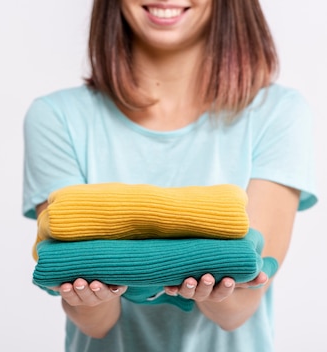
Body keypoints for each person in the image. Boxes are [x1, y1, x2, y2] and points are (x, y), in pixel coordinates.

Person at [21, 1, 318, 351]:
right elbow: (95, 324)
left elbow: (237, 310)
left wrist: (211, 287)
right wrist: (90, 297)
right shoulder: (56, 118)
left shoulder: (277, 113)